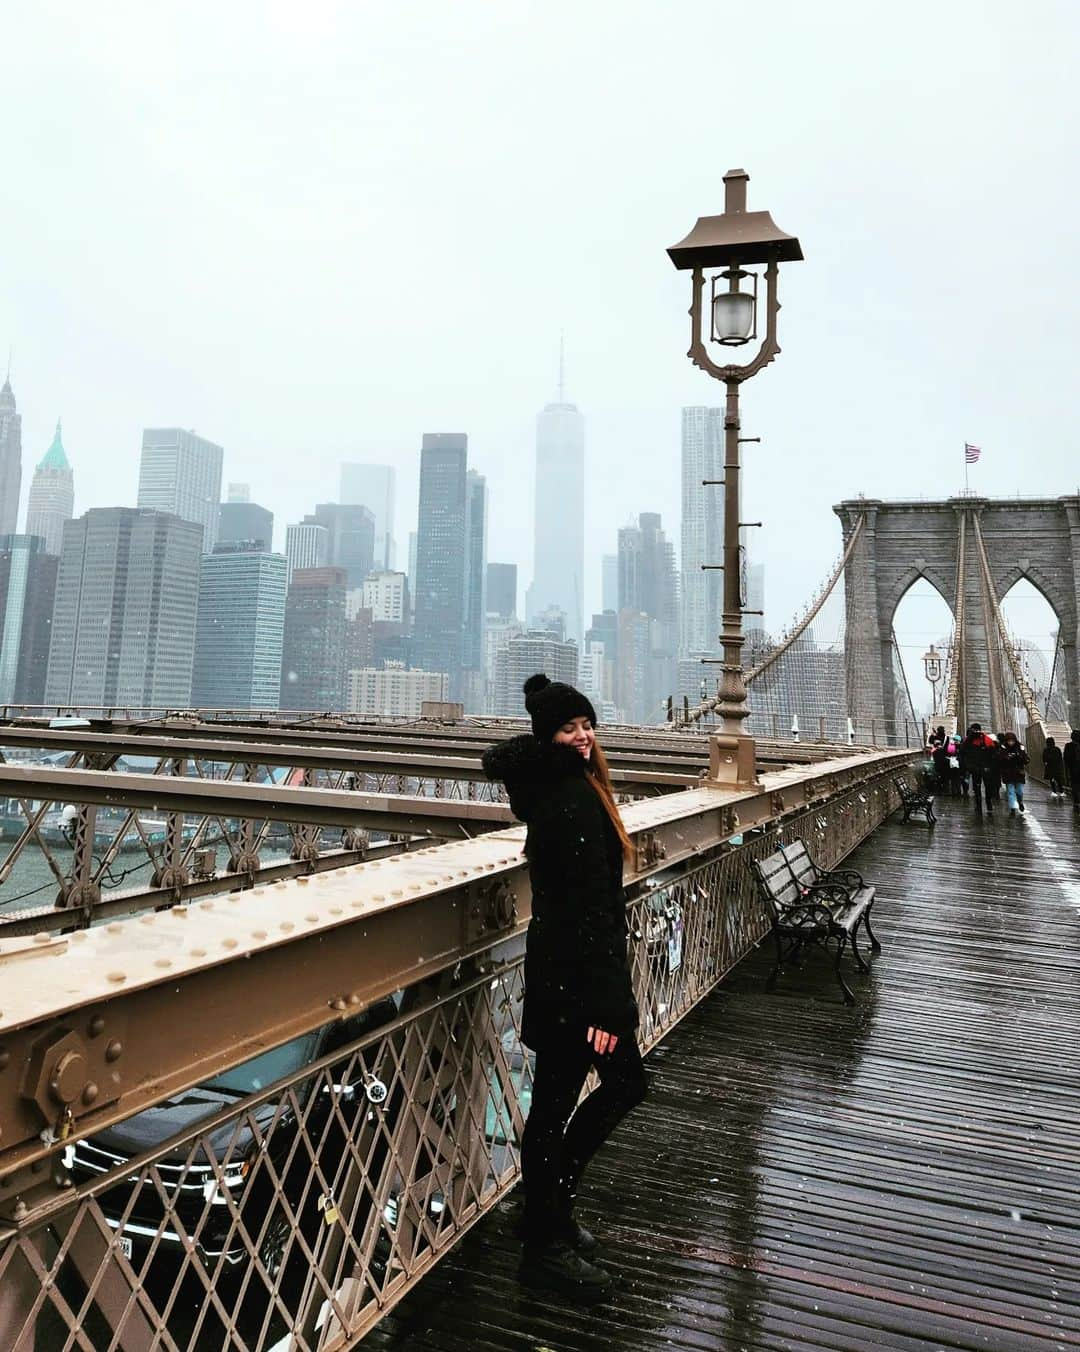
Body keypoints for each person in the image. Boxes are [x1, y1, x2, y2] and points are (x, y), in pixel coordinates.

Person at [482, 674, 647, 1294]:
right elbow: (590, 912)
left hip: (560, 978)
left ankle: (546, 1214)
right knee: (593, 1096)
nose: (583, 737)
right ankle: (545, 1242)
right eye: (569, 728)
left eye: (587, 725)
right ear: (548, 737)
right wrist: (606, 1007)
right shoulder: (572, 799)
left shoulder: (562, 789)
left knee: (558, 1109)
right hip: (577, 988)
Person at [959, 723, 996, 814]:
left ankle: (988, 802)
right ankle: (979, 805)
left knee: (987, 786)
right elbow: (962, 751)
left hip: (984, 767)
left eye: (976, 731)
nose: (975, 732)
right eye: (973, 731)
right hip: (975, 768)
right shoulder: (969, 740)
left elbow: (993, 754)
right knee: (977, 787)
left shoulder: (987, 740)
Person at [997, 732, 1030, 816]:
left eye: (1012, 741)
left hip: (1019, 773)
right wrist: (1007, 757)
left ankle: (1020, 802)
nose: (1010, 743)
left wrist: (1020, 757)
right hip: (1008, 773)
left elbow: (1025, 758)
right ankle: (1012, 808)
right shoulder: (1003, 747)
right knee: (1010, 791)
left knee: (1020, 791)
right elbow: (1000, 759)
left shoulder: (1020, 747)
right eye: (1009, 741)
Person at [1064, 729, 1080, 816]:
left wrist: (1066, 773)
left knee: (1075, 786)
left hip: (1073, 770)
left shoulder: (1068, 746)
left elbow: (1066, 759)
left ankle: (1077, 802)